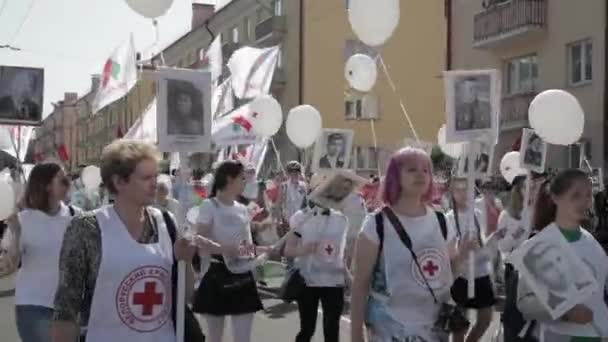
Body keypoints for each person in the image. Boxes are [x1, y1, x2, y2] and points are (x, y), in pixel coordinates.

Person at [50, 140, 196, 342]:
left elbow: (186, 294)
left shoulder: (167, 223)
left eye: (155, 176)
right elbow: (66, 306)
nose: (155, 183)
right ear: (119, 182)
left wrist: (186, 261)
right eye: (146, 177)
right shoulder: (87, 228)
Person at [350, 147, 478, 342]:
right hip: (389, 328)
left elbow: (448, 272)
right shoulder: (376, 224)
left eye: (426, 170)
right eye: (411, 169)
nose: (421, 174)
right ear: (395, 176)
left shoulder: (441, 221)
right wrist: (356, 336)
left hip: (434, 330)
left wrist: (464, 254)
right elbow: (360, 285)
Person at [518, 169, 608, 340]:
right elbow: (524, 302)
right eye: (576, 196)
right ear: (556, 198)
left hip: (598, 334)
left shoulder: (592, 242)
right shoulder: (537, 246)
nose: (585, 202)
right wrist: (566, 312)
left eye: (588, 195)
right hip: (559, 336)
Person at [191, 160, 269, 342]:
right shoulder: (209, 206)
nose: (245, 182)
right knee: (214, 338)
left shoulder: (243, 209)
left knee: (243, 338)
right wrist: (223, 249)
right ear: (229, 179)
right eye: (242, 178)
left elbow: (245, 248)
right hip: (216, 272)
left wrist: (263, 250)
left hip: (242, 274)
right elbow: (199, 239)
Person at [0, 162, 79, 342]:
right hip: (34, 304)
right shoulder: (22, 221)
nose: (69, 183)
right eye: (63, 180)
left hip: (70, 306)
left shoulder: (77, 216)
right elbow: (10, 266)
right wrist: (17, 232)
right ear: (46, 186)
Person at [285, 194, 351, 342]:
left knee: (332, 331)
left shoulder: (341, 219)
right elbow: (288, 250)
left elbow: (342, 253)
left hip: (334, 282)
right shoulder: (300, 217)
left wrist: (347, 277)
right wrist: (304, 250)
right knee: (307, 330)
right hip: (308, 281)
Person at [447, 178, 495, 342]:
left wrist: (486, 245)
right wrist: (463, 248)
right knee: (459, 323)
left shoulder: (477, 214)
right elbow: (450, 252)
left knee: (486, 318)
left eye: (466, 189)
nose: (463, 193)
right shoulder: (449, 218)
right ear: (452, 193)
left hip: (481, 272)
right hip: (461, 275)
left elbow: (482, 241)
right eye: (458, 189)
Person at [279, 161, 307, 237]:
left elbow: (306, 202)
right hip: (288, 221)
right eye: (292, 171)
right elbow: (279, 203)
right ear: (288, 173)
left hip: (301, 220)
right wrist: (280, 219)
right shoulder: (284, 186)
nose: (294, 174)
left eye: (297, 171)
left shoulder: (304, 186)